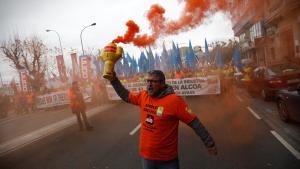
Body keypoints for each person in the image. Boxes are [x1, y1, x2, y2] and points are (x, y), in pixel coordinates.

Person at [108, 70, 217, 169]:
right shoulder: (143, 96)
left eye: (153, 82)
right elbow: (125, 95)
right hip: (147, 158)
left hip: (168, 161)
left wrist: (209, 143)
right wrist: (114, 80)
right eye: (148, 81)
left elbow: (194, 123)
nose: (149, 85)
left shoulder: (174, 101)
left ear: (162, 83)